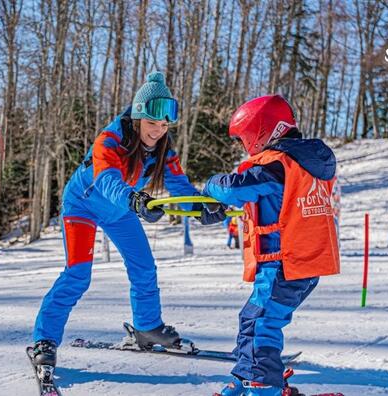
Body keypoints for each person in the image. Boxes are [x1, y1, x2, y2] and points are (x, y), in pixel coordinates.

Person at [29, 71, 227, 369]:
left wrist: (202, 207)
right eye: (151, 123)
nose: (158, 131)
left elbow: (179, 186)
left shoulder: (163, 147)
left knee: (144, 267)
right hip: (83, 206)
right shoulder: (109, 140)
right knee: (78, 275)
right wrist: (135, 200)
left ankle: (147, 327)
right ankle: (45, 340)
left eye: (163, 125)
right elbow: (107, 180)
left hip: (120, 210)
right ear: (136, 118)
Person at [203, 95, 340, 396]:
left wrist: (209, 185)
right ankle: (247, 375)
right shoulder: (306, 163)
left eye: (245, 138)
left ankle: (263, 385)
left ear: (263, 132)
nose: (245, 145)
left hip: (284, 264)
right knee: (252, 317)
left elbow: (234, 188)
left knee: (263, 322)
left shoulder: (277, 166)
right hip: (302, 263)